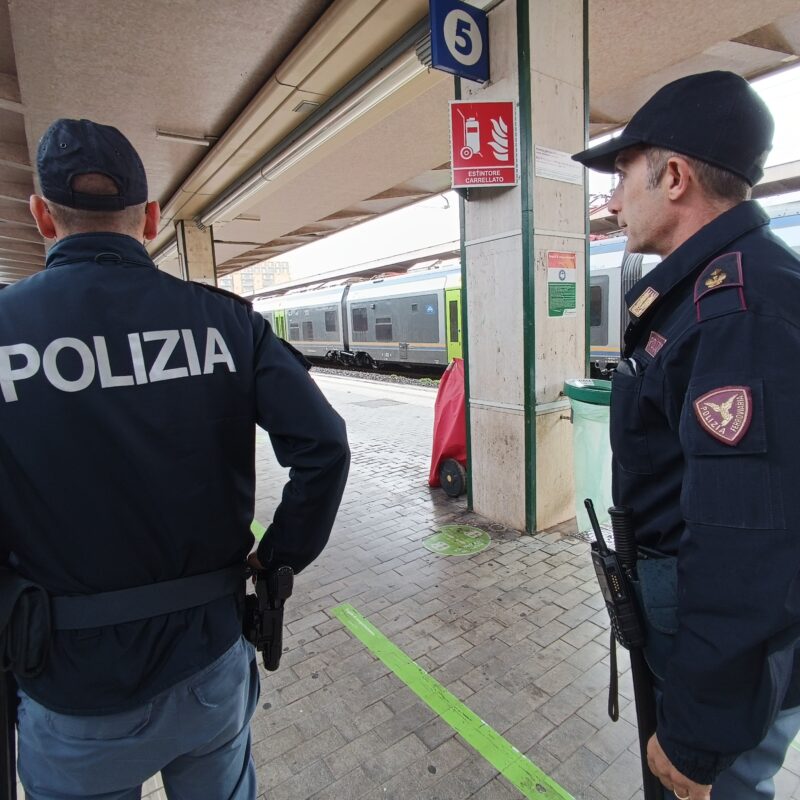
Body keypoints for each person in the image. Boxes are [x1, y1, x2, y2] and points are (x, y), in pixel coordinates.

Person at [0, 118, 350, 799]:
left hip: (72, 685)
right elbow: (325, 447)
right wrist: (277, 556)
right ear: (153, 218)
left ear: (41, 215)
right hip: (208, 660)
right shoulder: (226, 324)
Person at [573, 71, 800, 800]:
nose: (611, 202)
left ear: (672, 177)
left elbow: (745, 543)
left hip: (726, 669)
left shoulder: (735, 311)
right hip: (711, 640)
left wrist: (696, 735)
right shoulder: (720, 287)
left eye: (620, 178)